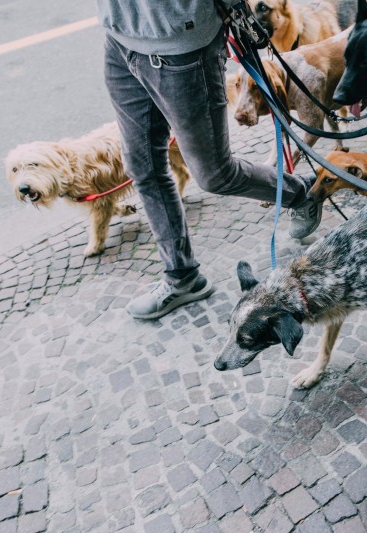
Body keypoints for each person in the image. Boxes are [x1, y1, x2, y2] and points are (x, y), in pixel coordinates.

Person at [96, 1, 322, 319]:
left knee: (215, 174)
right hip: (119, 35)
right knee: (142, 166)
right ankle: (182, 277)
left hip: (181, 45)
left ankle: (301, 194)